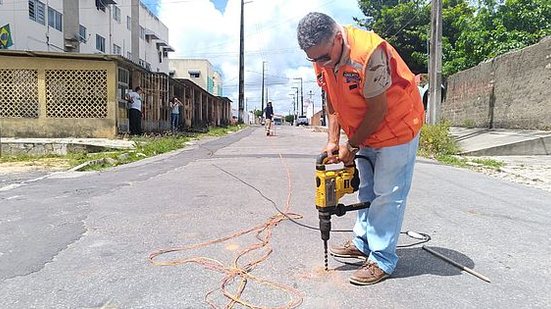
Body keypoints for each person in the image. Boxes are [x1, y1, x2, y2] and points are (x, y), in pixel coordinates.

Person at [297, 12, 425, 285]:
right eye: (313, 59)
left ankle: (382, 259)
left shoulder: (369, 53)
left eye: (323, 57)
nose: (319, 63)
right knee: (365, 189)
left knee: (387, 194)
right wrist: (333, 141)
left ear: (338, 38)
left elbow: (378, 111)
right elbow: (331, 98)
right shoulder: (322, 56)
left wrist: (351, 146)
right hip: (365, 130)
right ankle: (363, 242)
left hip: (397, 126)